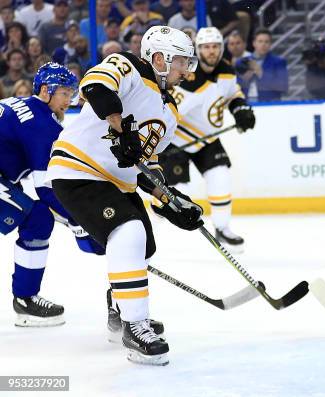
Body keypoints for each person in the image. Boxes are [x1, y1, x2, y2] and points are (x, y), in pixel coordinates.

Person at [46, 26, 201, 366]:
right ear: (158, 58)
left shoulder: (169, 110)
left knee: (143, 243)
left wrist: (171, 201)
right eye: (181, 62)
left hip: (117, 182)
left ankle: (119, 313)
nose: (186, 70)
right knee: (128, 231)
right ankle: (135, 325)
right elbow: (95, 86)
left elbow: (148, 164)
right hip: (78, 171)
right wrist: (119, 127)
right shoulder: (129, 66)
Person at [0, 63, 102, 327]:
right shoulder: (42, 124)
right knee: (39, 219)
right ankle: (25, 299)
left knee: (37, 217)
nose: (70, 100)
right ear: (46, 91)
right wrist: (80, 220)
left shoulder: (19, 102)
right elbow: (47, 188)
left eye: (71, 94)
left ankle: (25, 297)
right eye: (65, 94)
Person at [161, 26, 255, 252]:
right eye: (205, 47)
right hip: (175, 140)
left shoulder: (226, 70)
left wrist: (240, 108)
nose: (211, 51)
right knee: (173, 192)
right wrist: (158, 142)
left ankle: (222, 229)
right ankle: (148, 235)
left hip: (206, 139)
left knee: (221, 177)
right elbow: (167, 110)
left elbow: (233, 93)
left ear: (221, 48)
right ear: (197, 50)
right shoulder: (189, 78)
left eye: (215, 47)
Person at [236, 28, 288, 101]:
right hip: (246, 103)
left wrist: (261, 73)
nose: (263, 44)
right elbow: (234, 86)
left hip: (270, 104)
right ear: (254, 43)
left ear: (270, 44)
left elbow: (283, 87)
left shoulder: (279, 62)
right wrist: (244, 79)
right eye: (260, 41)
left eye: (266, 42)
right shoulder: (242, 62)